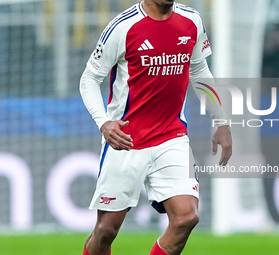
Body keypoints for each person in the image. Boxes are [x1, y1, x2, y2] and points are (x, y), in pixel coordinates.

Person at [79, 0, 232, 254]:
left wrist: (221, 120)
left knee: (186, 217)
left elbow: (200, 70)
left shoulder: (191, 20)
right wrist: (104, 123)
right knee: (106, 229)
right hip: (125, 140)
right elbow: (89, 79)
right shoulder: (123, 27)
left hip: (172, 137)